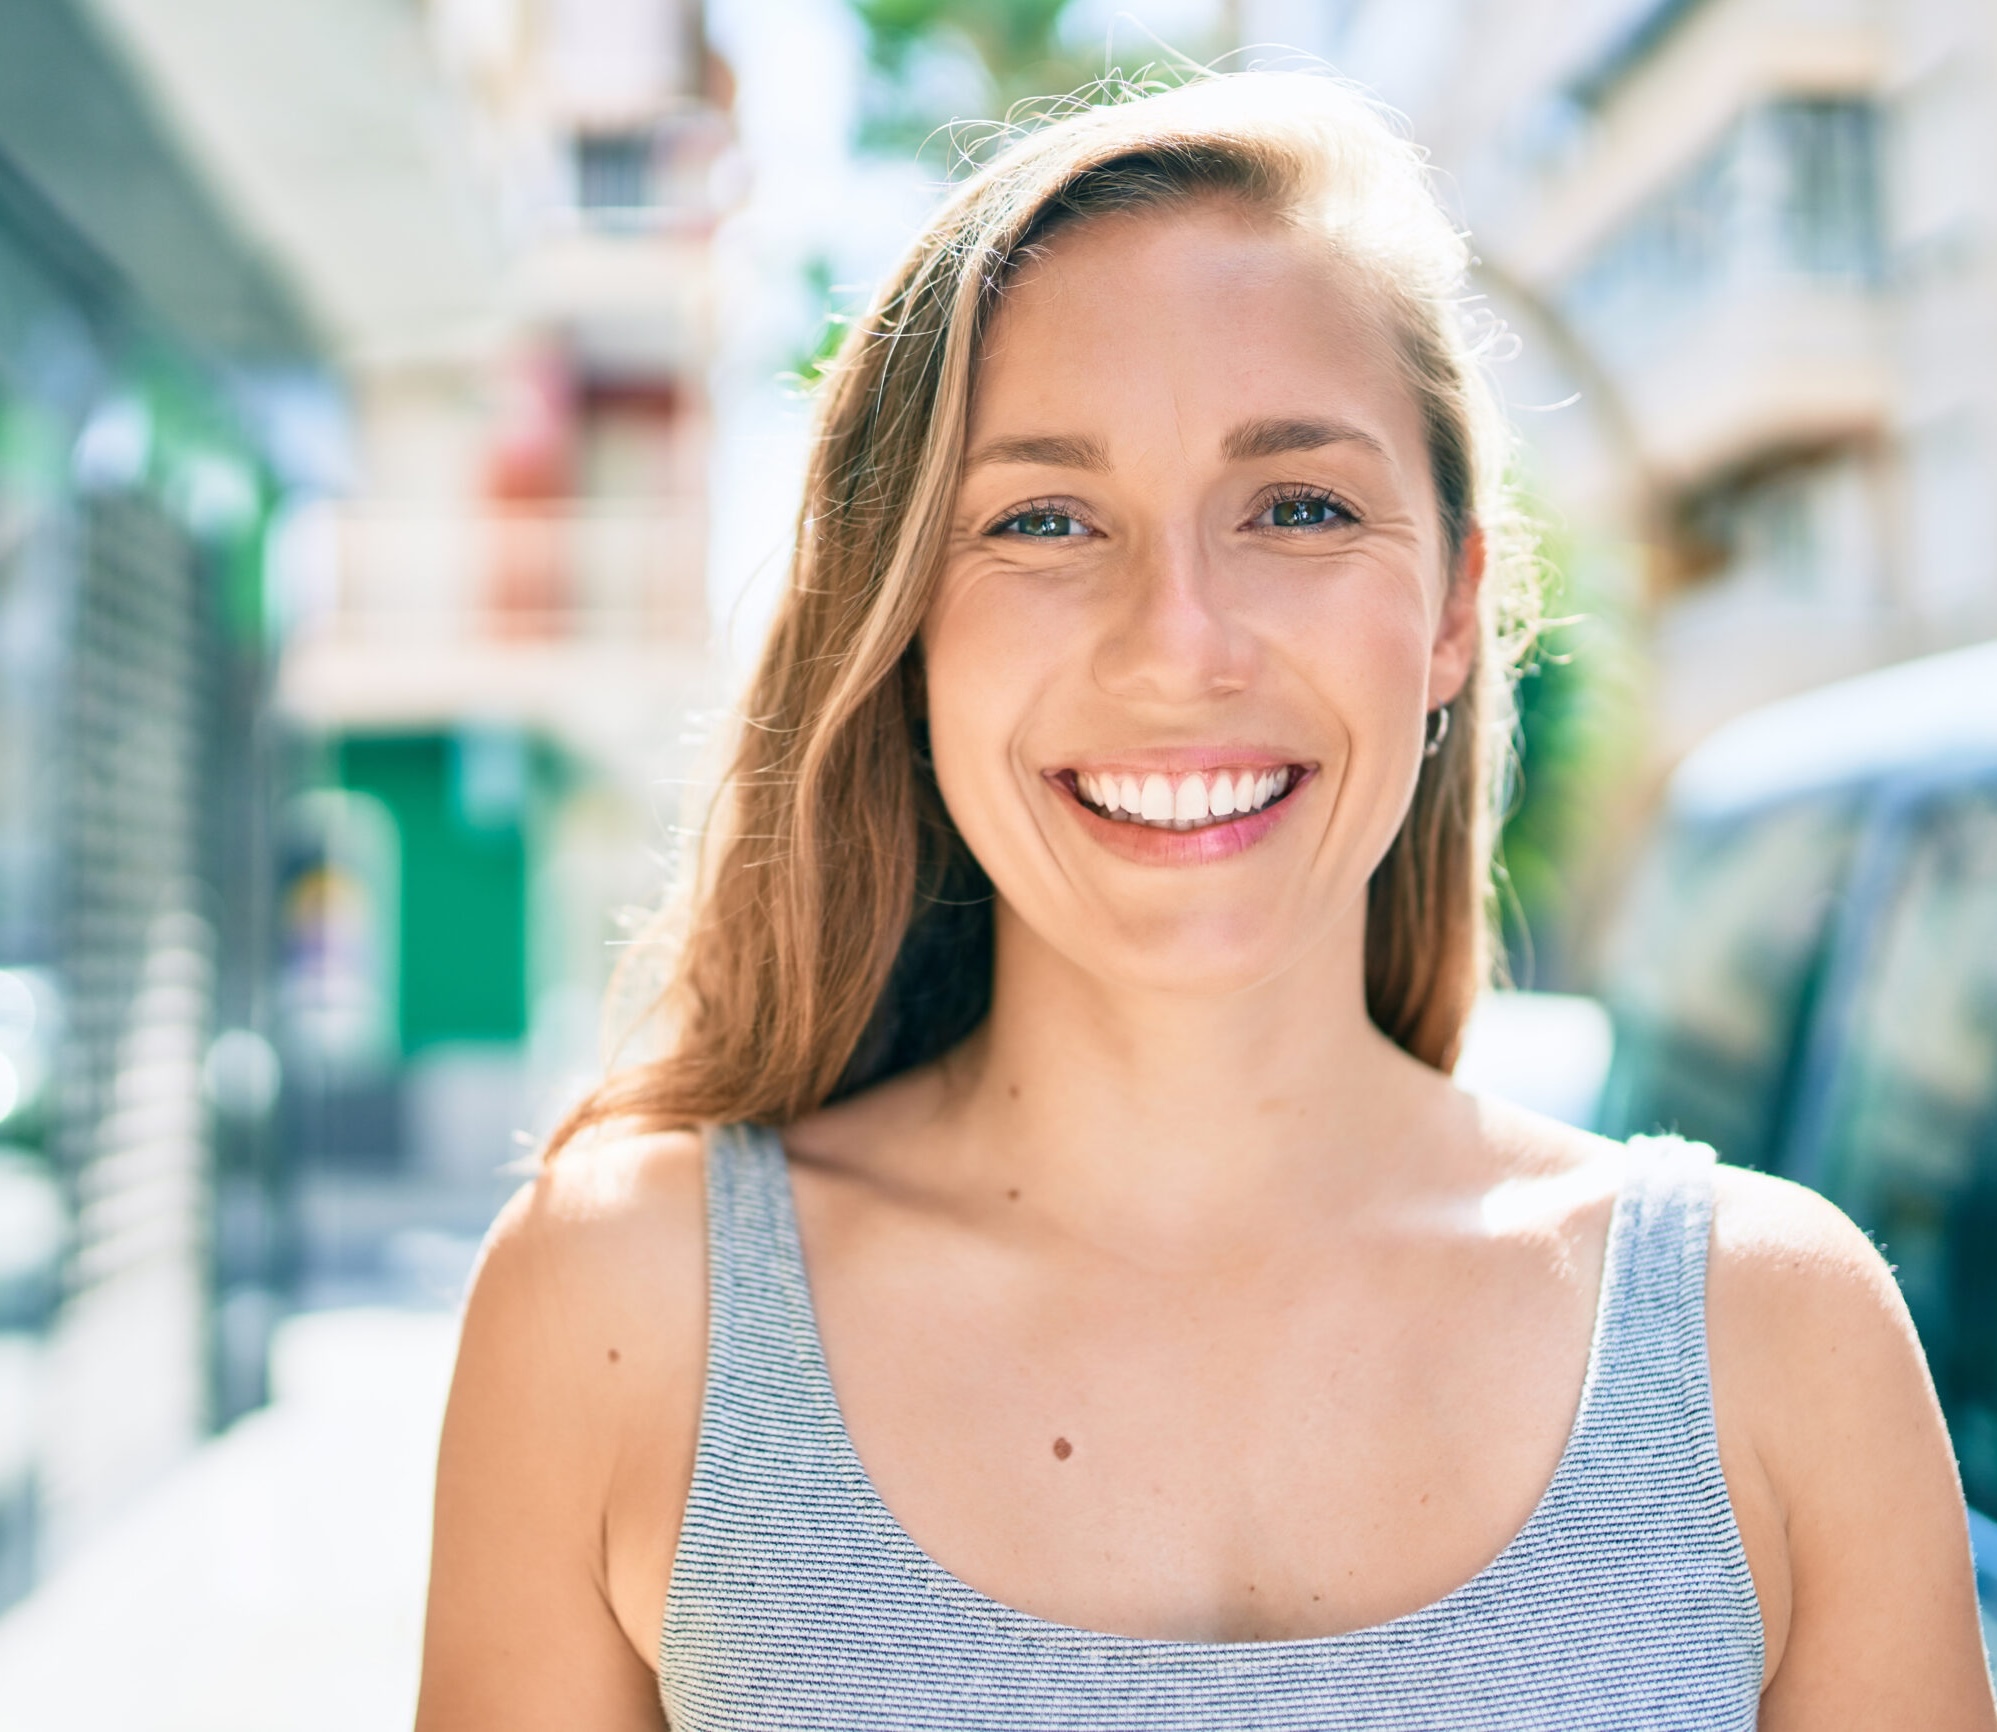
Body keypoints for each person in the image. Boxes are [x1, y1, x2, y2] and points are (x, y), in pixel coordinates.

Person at [414, 72, 1995, 1730]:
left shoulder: (1774, 1340)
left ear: (1451, 608)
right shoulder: (623, 1311)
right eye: (1043, 519)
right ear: (908, 627)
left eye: (1297, 507)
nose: (1178, 646)